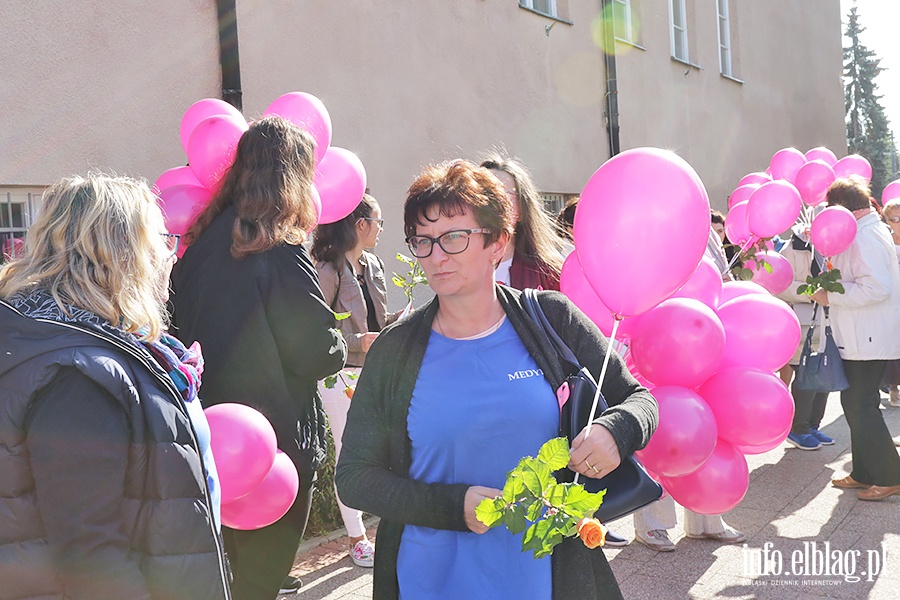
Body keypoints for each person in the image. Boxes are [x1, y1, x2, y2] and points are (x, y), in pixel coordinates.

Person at [335, 159, 658, 599]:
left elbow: (640, 401)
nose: (436, 255)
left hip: (543, 577)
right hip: (428, 580)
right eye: (423, 241)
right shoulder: (395, 350)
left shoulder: (551, 319)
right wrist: (453, 507)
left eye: (454, 237)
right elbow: (354, 476)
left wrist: (614, 431)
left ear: (498, 243)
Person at [0, 174, 230, 599]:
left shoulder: (78, 344)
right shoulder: (77, 372)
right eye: (162, 238)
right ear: (121, 254)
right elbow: (89, 550)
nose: (171, 254)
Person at [169, 116, 348, 598]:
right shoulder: (278, 248)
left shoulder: (199, 246)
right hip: (275, 446)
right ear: (291, 177)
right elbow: (316, 351)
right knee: (259, 584)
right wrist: (341, 340)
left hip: (209, 437)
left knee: (227, 580)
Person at [311, 193, 391, 567]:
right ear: (361, 225)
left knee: (385, 448)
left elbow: (380, 317)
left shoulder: (372, 265)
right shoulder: (327, 269)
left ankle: (382, 525)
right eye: (378, 221)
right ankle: (356, 537)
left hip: (376, 370)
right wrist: (358, 340)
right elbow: (314, 329)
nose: (380, 229)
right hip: (340, 374)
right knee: (349, 451)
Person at [811, 177, 900, 501]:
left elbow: (877, 288)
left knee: (861, 404)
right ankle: (865, 471)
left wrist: (831, 295)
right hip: (863, 335)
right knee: (857, 403)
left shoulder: (866, 236)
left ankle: (890, 474)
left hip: (870, 336)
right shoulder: (862, 232)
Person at [774, 223, 833, 450]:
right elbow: (780, 284)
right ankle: (798, 429)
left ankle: (812, 425)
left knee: (824, 375)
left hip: (827, 320)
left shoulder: (833, 247)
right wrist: (811, 292)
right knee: (806, 374)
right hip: (804, 320)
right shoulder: (791, 248)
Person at [480, 153, 566, 290]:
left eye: (503, 196)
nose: (491, 203)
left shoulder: (549, 274)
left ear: (521, 210)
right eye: (484, 194)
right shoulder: (458, 266)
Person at [879, 198, 900, 407]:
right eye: (894, 219)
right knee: (893, 346)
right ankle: (894, 388)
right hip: (890, 301)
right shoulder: (884, 243)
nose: (899, 222)